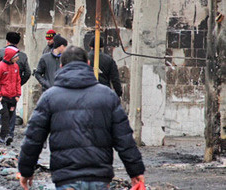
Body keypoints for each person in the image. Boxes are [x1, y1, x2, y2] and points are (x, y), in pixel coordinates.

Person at [18, 46, 145, 190]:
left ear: (61, 66)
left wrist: (26, 171)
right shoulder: (108, 96)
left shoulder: (49, 97)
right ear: (89, 64)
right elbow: (124, 139)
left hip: (66, 178)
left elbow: (34, 138)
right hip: (99, 177)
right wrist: (136, 171)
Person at [0, 31, 31, 143]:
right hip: (12, 93)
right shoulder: (23, 56)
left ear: (7, 41)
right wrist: (16, 88)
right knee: (11, 114)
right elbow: (27, 73)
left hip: (0, 92)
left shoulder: (0, 52)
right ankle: (9, 134)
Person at [0, 46, 21, 145]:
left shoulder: (15, 66)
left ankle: (6, 136)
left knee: (11, 117)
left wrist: (18, 94)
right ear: (10, 57)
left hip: (12, 97)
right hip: (2, 97)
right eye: (16, 56)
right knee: (5, 116)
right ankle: (4, 136)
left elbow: (17, 81)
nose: (17, 58)